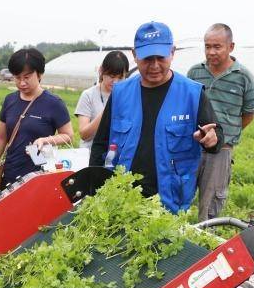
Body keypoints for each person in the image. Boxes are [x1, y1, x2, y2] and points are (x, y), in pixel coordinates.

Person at [88, 21, 222, 212]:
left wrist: (211, 140)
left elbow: (216, 134)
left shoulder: (192, 94)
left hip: (169, 203)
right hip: (120, 198)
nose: (155, 66)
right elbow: (101, 143)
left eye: (161, 57)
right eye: (147, 59)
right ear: (134, 55)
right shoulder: (120, 93)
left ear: (172, 52)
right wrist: (94, 189)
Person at [187, 23, 254, 221]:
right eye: (207, 46)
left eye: (217, 46)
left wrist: (225, 136)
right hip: (193, 147)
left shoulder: (244, 77)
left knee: (210, 207)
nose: (211, 52)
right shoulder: (195, 73)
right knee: (180, 197)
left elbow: (248, 114)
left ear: (231, 47)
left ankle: (203, 247)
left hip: (221, 151)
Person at [0, 48, 73, 191]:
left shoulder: (53, 103)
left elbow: (68, 136)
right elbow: (1, 138)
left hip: (39, 176)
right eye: (17, 77)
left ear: (39, 74)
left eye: (26, 77)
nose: (22, 83)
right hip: (10, 175)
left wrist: (46, 140)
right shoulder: (10, 100)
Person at [75, 50, 129, 151]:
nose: (116, 82)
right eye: (111, 76)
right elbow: (84, 134)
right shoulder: (88, 95)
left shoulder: (128, 96)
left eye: (121, 77)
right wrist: (107, 110)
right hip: (91, 156)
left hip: (118, 156)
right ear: (101, 71)